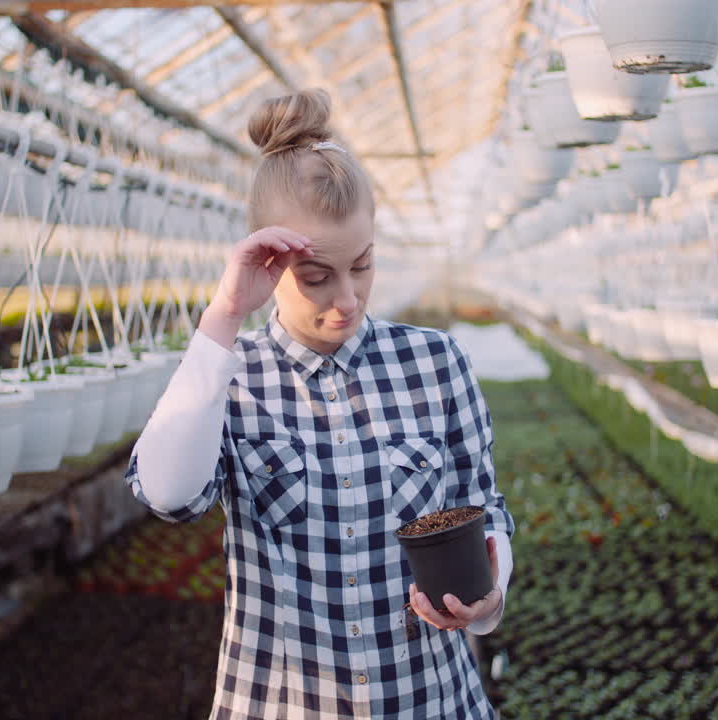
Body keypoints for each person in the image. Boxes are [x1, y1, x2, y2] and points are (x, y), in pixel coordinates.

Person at [125, 88, 514, 719]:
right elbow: (169, 495)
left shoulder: (435, 363)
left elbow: (485, 509)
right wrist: (223, 316)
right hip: (284, 703)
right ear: (268, 261)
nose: (347, 298)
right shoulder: (230, 376)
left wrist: (488, 602)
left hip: (425, 699)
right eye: (316, 277)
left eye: (361, 266)